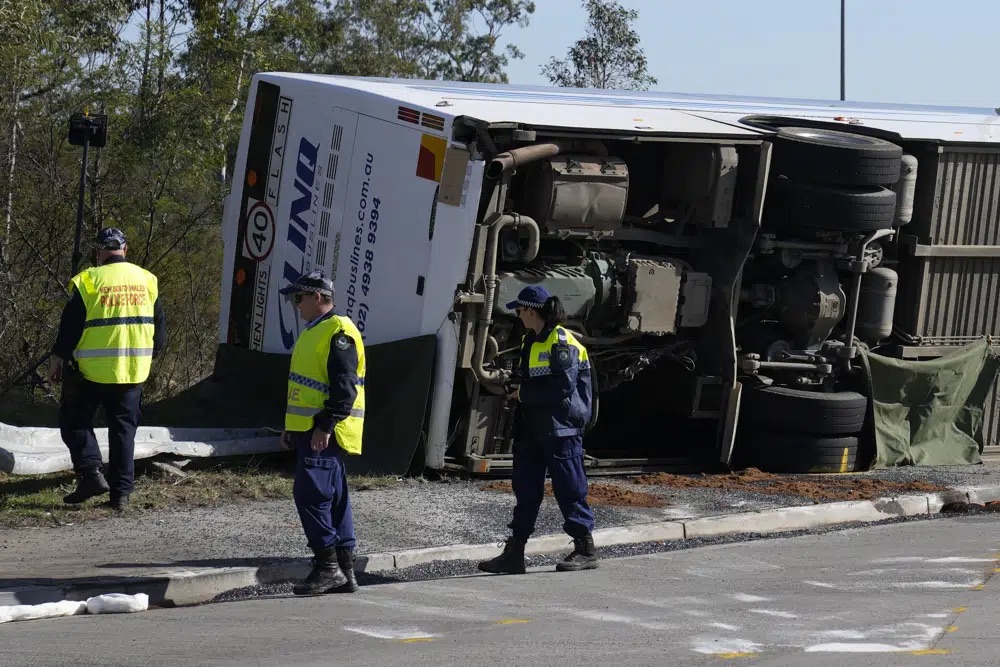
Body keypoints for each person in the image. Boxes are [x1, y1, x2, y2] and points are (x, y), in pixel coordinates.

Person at [478, 284, 598, 575]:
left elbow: (562, 387)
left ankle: (585, 549)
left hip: (561, 430)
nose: (518, 316)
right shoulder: (530, 342)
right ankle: (515, 551)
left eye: (520, 311)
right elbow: (535, 378)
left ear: (531, 310)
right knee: (526, 490)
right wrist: (516, 384)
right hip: (534, 429)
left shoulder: (561, 342)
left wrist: (523, 394)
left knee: (570, 489)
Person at [47, 227, 165, 511]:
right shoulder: (147, 280)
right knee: (123, 431)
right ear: (125, 249)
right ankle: (121, 496)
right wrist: (150, 355)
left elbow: (70, 327)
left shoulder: (89, 280)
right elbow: (159, 331)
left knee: (74, 420)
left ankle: (90, 474)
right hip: (133, 371)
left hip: (91, 371)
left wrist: (58, 358)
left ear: (99, 252)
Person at [279, 269, 366, 596]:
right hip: (311, 429)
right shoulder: (318, 330)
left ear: (317, 297)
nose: (296, 304)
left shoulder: (338, 331)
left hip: (324, 432)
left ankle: (328, 567)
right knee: (335, 500)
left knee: (311, 496)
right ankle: (344, 570)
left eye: (299, 298)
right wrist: (292, 427)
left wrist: (325, 426)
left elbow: (345, 389)